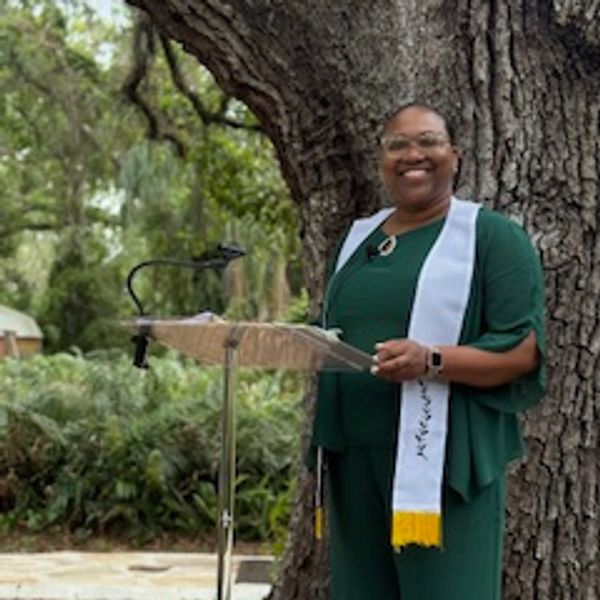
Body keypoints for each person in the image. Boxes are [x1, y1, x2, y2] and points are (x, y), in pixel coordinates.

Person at [310, 103, 546, 600]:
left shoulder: (491, 237)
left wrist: (431, 360)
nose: (412, 155)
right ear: (382, 159)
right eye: (397, 145)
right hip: (354, 460)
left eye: (429, 142)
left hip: (442, 463)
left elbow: (522, 353)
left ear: (455, 155)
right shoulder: (359, 240)